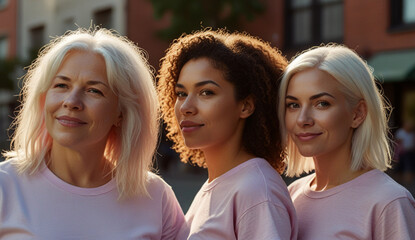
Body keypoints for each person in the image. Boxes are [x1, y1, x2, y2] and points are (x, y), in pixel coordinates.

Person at [0, 28, 187, 239]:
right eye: (61, 85)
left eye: (94, 90)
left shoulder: (156, 196)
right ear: (43, 98)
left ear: (121, 112)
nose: (71, 101)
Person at [157, 29, 298, 239]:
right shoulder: (220, 184)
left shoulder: (257, 192)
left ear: (246, 106)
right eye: (181, 93)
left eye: (206, 92)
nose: (186, 107)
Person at [278, 44, 415, 239]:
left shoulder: (389, 203)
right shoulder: (289, 195)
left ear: (357, 114)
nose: (302, 119)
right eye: (293, 105)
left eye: (322, 104)